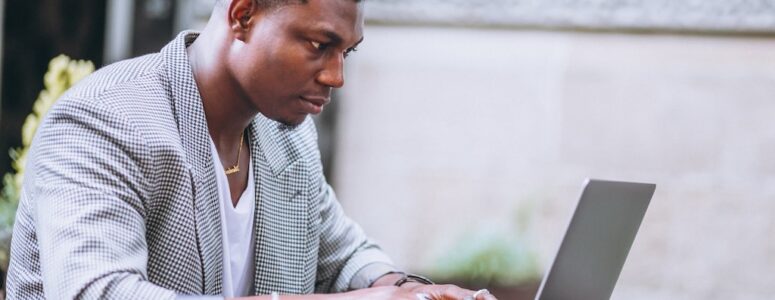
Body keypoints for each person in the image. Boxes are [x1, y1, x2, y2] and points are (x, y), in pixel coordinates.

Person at [6, 0, 497, 299]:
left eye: (346, 52)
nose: (336, 76)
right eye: (318, 44)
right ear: (243, 15)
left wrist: (414, 291)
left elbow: (343, 257)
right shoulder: (105, 120)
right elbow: (100, 294)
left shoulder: (288, 135)